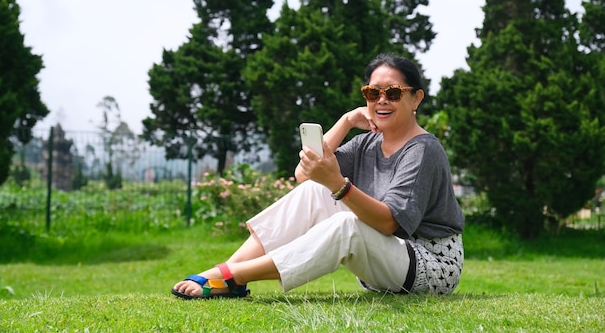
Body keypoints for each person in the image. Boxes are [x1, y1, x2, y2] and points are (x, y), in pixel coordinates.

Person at [171, 54, 465, 299]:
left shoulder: (423, 149)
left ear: (416, 98)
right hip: (386, 261)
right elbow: (304, 175)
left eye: (394, 93)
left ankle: (234, 275)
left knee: (346, 222)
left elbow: (390, 223)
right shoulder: (368, 143)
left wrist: (339, 185)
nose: (382, 101)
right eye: (373, 93)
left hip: (431, 265)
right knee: (316, 191)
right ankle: (228, 273)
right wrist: (347, 120)